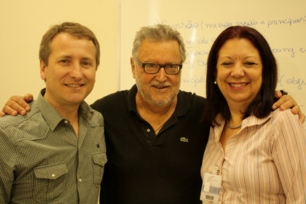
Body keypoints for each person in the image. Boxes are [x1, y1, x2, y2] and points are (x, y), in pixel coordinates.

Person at [0, 24, 303, 204]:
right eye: (150, 65)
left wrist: (283, 100)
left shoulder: (206, 115)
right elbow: (57, 108)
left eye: (172, 66)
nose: (162, 76)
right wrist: (19, 107)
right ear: (133, 67)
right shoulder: (101, 115)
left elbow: (245, 106)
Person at [0, 22, 107, 203]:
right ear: (43, 68)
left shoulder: (98, 123)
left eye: (86, 63)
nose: (76, 73)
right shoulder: (8, 135)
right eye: (65, 61)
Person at [200, 26, 306, 203]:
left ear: (265, 71)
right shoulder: (215, 123)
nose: (237, 72)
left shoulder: (282, 120)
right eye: (227, 63)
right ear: (214, 72)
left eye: (249, 63)